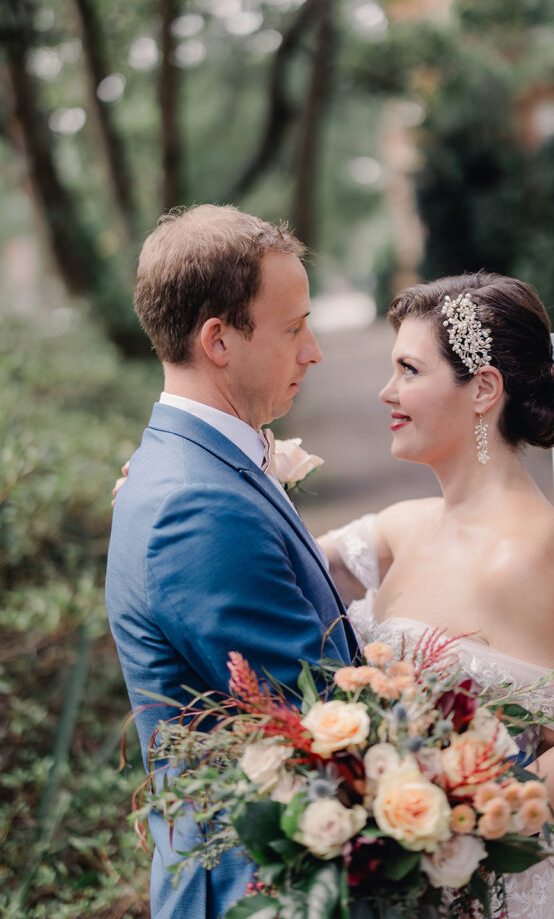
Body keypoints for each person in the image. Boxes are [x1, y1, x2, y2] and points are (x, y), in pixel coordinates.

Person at [320, 273, 554, 918]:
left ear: (484, 390)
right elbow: (289, 562)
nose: (387, 392)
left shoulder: (525, 560)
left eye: (409, 370)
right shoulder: (405, 528)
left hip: (487, 895)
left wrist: (456, 828)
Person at [105, 204, 356, 919]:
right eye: (293, 328)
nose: (313, 351)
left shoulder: (198, 466)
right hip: (258, 888)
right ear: (218, 340)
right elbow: (320, 722)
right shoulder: (196, 505)